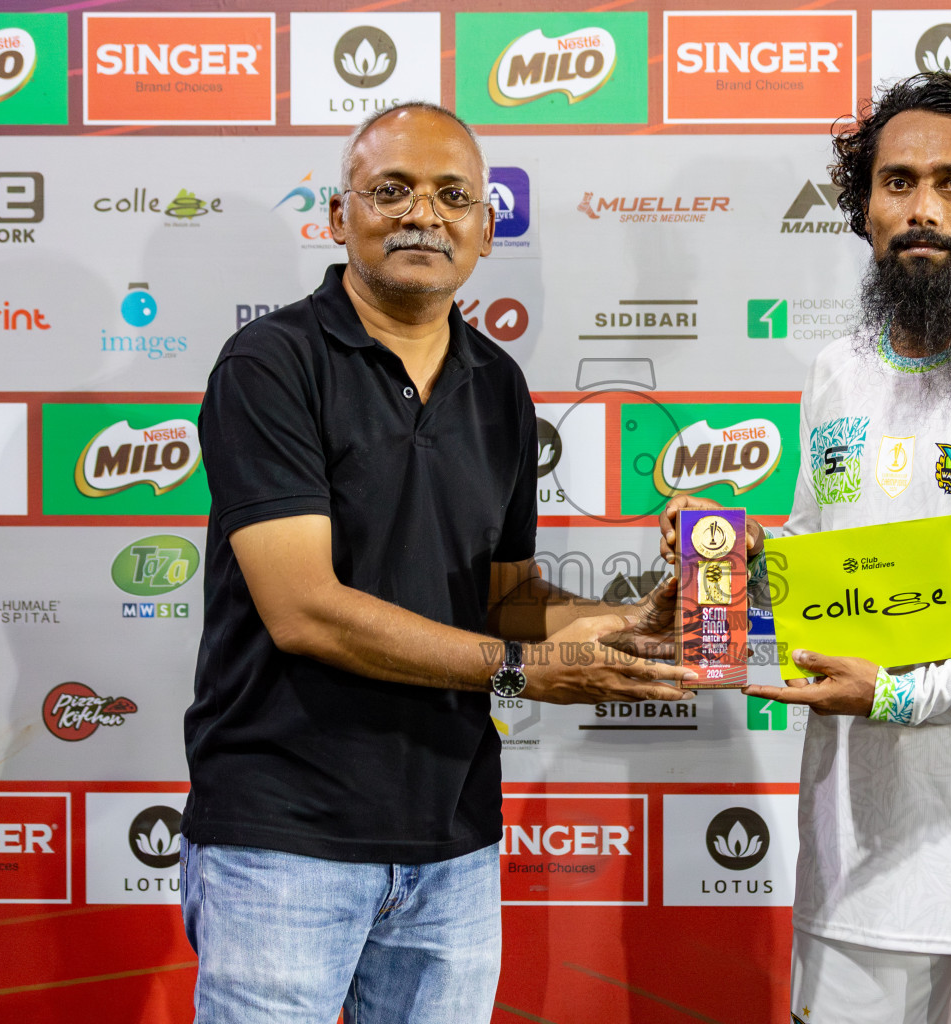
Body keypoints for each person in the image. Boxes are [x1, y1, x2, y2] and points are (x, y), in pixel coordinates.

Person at [180, 102, 694, 1024]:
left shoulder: (498, 384)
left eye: (453, 195)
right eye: (392, 190)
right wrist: (521, 672)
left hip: (452, 843)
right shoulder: (270, 364)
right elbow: (304, 608)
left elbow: (505, 597)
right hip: (283, 838)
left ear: (487, 230)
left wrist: (626, 625)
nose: (424, 214)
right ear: (339, 219)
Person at [661, 73, 951, 1024]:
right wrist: (751, 557)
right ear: (863, 207)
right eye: (897, 182)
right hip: (857, 863)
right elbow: (828, 562)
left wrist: (903, 693)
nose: (922, 208)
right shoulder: (836, 374)